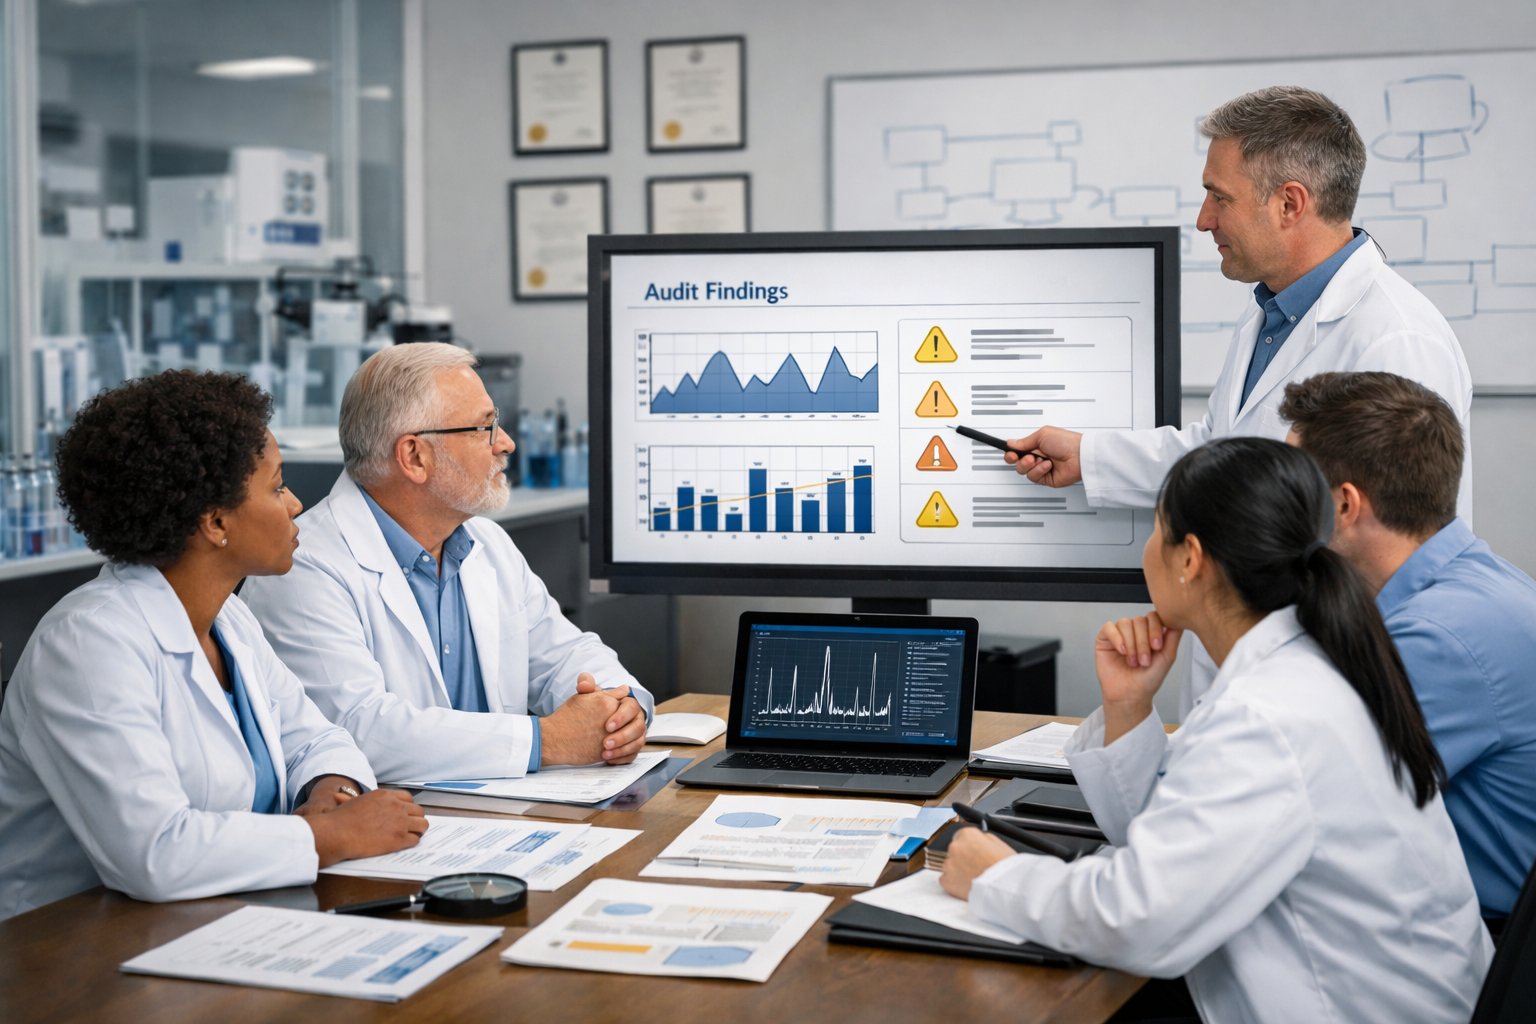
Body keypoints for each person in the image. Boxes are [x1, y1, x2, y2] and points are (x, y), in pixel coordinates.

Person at [939, 437, 1491, 1023]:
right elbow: (1177, 844)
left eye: (1156, 530)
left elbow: (1139, 920)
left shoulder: (1268, 715)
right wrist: (1129, 708)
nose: (1147, 550)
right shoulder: (1306, 669)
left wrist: (997, 878)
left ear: (1189, 559)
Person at [0, 371, 426, 920]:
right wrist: (329, 835)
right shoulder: (86, 645)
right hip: (72, 951)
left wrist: (332, 791)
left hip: (215, 920)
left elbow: (316, 738)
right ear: (215, 521)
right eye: (275, 487)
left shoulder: (229, 619)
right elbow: (153, 853)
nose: (296, 504)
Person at [1007, 85, 1473, 520]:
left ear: (1290, 204)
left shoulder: (1397, 342)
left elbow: (1390, 542)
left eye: (1219, 197)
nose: (1203, 220)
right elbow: (1225, 451)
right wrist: (1088, 456)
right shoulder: (1270, 311)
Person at [243, 343, 653, 783]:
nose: (506, 443)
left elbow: (563, 654)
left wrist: (619, 706)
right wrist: (546, 740)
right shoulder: (303, 568)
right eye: (484, 428)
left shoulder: (485, 543)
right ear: (415, 456)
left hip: (502, 815)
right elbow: (359, 730)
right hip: (402, 828)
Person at [1280, 371, 1536, 921]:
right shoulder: (1478, 582)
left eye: (1292, 487)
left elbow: (1292, 805)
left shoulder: (1438, 640)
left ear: (1344, 506)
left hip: (1490, 958)